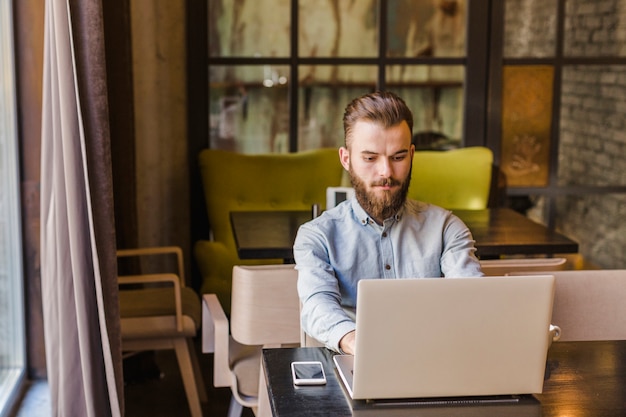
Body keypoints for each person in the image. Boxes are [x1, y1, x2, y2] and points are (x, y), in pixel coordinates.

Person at [294, 91, 483, 355]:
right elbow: (317, 304)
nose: (386, 173)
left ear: (412, 155)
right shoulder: (317, 236)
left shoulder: (446, 228)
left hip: (434, 360)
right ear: (346, 159)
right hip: (355, 363)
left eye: (398, 157)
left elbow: (471, 295)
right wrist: (355, 342)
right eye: (370, 158)